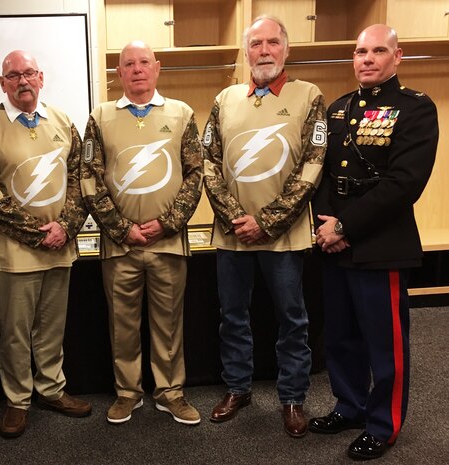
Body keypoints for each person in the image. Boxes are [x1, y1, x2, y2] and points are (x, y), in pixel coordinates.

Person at [310, 24, 438, 460]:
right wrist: (325, 226)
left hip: (380, 243)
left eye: (378, 50)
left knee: (384, 341)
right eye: (360, 51)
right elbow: (323, 175)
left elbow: (404, 184)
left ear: (397, 57)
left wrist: (343, 227)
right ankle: (349, 406)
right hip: (335, 241)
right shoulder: (339, 108)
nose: (367, 58)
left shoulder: (415, 109)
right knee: (341, 336)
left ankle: (384, 425)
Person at [202, 15, 327, 437]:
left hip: (284, 235)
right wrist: (239, 220)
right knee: (232, 316)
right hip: (232, 234)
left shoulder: (309, 96)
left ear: (286, 49)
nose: (264, 51)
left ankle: (292, 398)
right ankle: (238, 388)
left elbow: (313, 166)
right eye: (256, 43)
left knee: (292, 318)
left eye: (273, 42)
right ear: (246, 51)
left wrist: (267, 221)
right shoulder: (225, 99)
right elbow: (208, 164)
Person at [0, 50, 91, 438]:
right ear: (2, 83)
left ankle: (52, 389)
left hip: (59, 247)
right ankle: (18, 401)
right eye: (14, 75)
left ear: (41, 78)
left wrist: (66, 227)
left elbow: (80, 178)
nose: (23, 81)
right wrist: (37, 232)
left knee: (52, 327)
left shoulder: (62, 121)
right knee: (16, 332)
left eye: (29, 73)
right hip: (15, 253)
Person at [80, 40, 203, 425]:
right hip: (120, 245)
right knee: (122, 323)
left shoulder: (181, 114)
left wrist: (167, 222)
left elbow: (196, 174)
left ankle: (170, 392)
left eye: (144, 62)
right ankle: (127, 393)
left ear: (158, 67)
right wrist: (121, 228)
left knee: (169, 323)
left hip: (167, 241)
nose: (137, 69)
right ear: (119, 73)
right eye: (128, 64)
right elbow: (88, 177)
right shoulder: (100, 116)